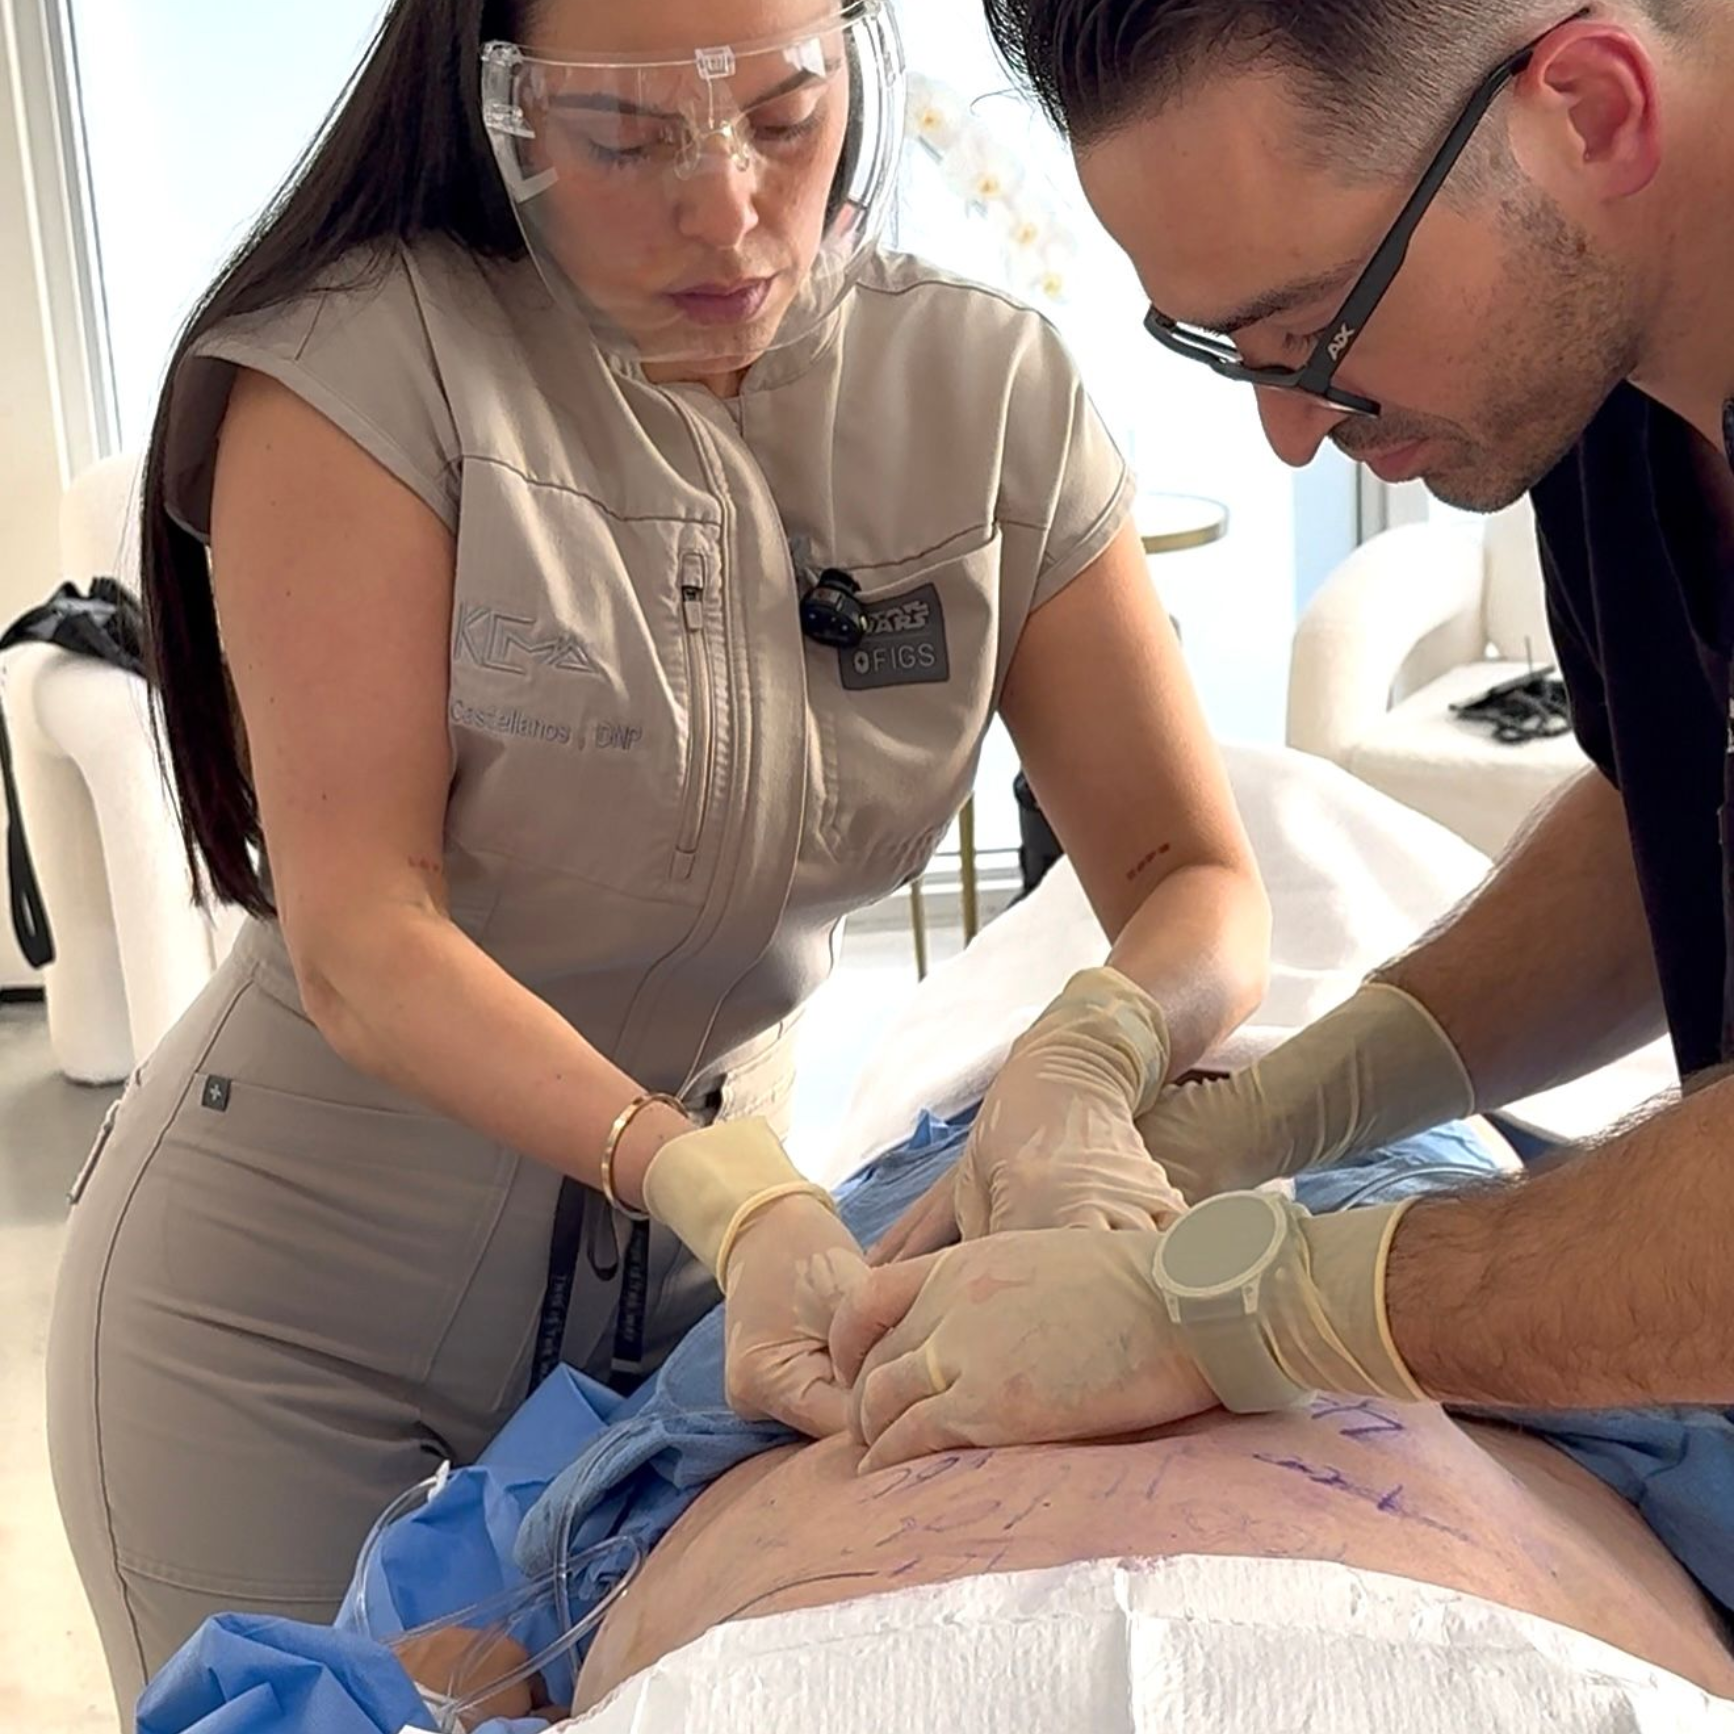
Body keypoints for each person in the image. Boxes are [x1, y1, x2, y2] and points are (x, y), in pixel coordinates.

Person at [43, 0, 1271, 1712]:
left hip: (703, 1323)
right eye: (624, 137)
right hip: (292, 1332)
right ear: (494, 106)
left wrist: (1083, 1061)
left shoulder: (982, 392)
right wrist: (716, 1178)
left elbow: (1193, 874)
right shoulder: (357, 373)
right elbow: (361, 933)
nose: (726, 205)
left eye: (783, 113)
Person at [837, 0, 1734, 1463]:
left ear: (1586, 109)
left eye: (1314, 331)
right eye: (1228, 349)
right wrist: (1269, 1114)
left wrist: (1242, 1309)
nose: (1292, 435)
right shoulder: (1604, 387)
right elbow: (1676, 807)